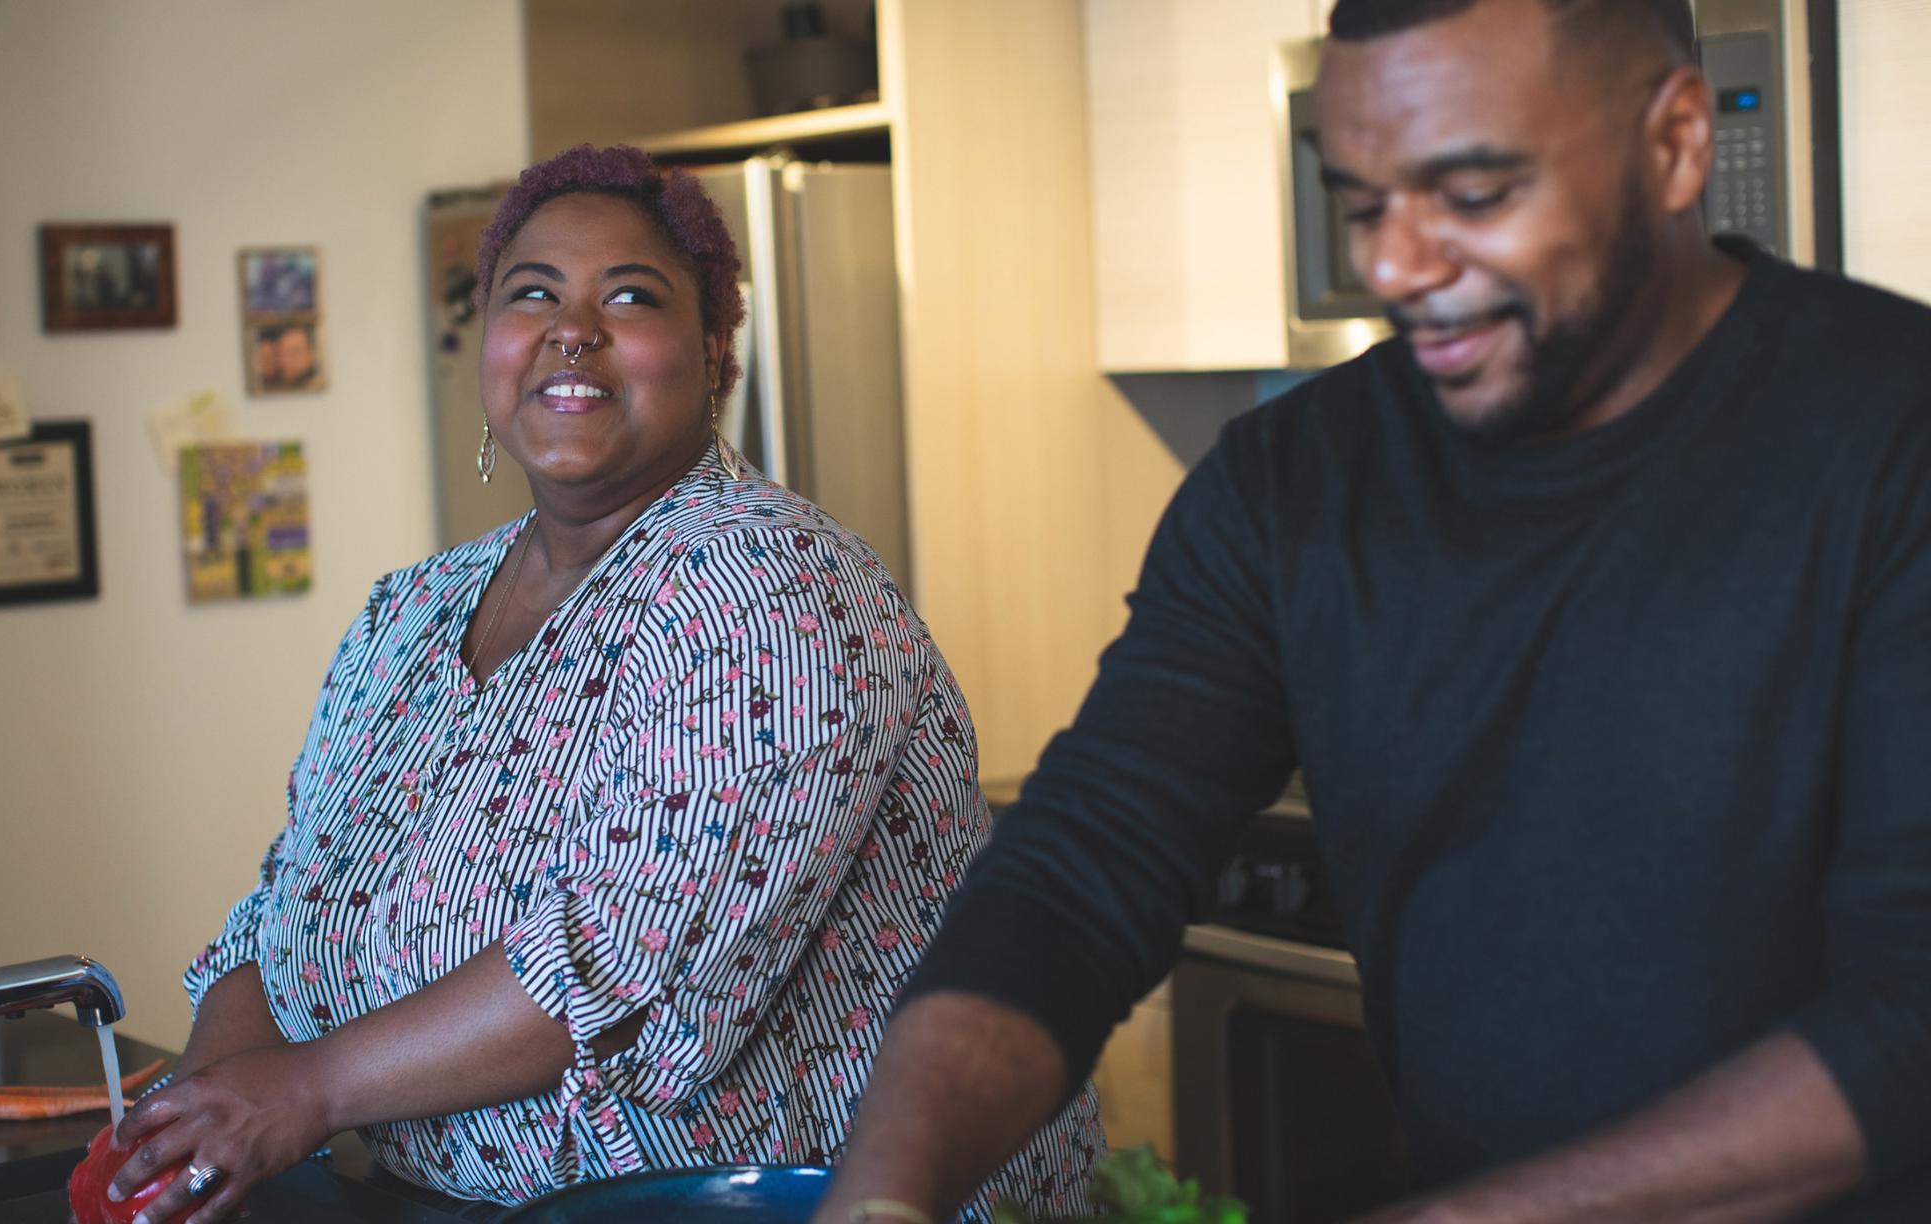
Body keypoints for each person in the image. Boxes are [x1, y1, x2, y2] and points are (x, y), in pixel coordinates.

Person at [816, 1, 1931, 1221]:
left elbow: (1908, 1017)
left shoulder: (1891, 434)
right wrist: (885, 1196)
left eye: (1470, 195)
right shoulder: (1288, 484)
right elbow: (1081, 872)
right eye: (1362, 206)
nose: (1395, 267)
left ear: (1670, 143)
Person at [105, 144, 1100, 1224]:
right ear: (488, 345)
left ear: (715, 354)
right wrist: (211, 1107)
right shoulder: (410, 613)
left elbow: (619, 963)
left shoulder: (771, 584)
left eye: (628, 296)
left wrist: (305, 1089)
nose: (569, 327)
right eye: (531, 293)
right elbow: (289, 901)